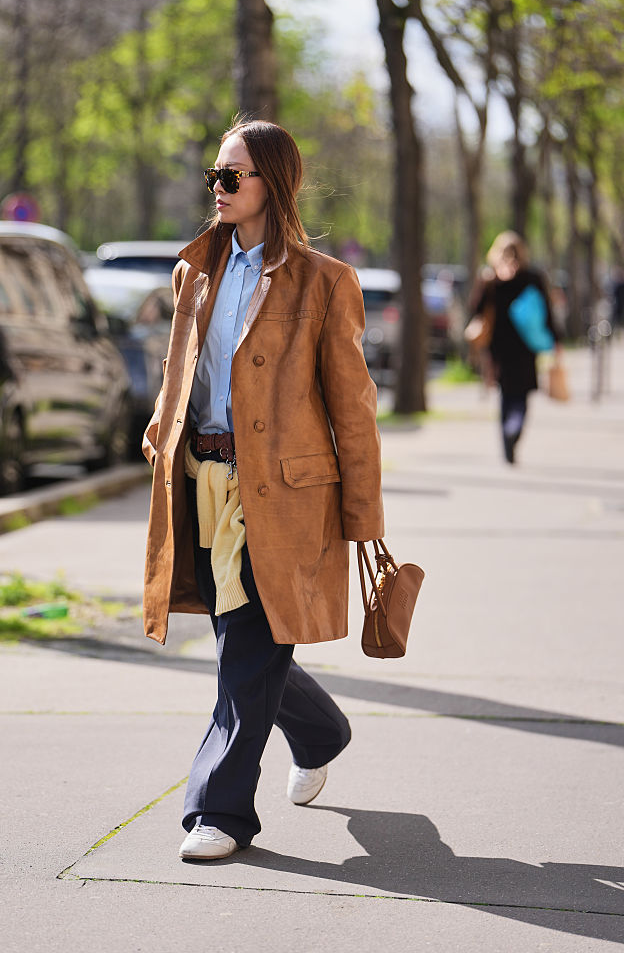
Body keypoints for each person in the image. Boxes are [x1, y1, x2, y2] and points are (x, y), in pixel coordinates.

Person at [141, 118, 384, 861]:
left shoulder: (324, 280)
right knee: (244, 635)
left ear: (270, 183)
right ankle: (320, 731)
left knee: (243, 646)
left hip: (281, 494)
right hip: (203, 482)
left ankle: (218, 812)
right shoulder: (195, 270)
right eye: (214, 175)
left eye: (230, 175)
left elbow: (352, 404)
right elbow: (181, 373)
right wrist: (160, 429)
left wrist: (362, 512)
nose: (215, 188)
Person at [472, 230, 561, 464]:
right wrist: (555, 338)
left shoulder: (491, 279)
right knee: (521, 395)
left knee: (505, 393)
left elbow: (476, 310)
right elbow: (547, 312)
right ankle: (515, 429)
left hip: (499, 346)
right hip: (525, 345)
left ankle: (507, 437)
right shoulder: (532, 277)